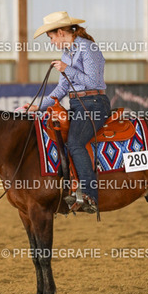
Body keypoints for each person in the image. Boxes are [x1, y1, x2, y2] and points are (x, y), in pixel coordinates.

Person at [26, 11, 111, 213]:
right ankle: (71, 187)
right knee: (60, 137)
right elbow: (62, 89)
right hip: (78, 105)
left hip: (94, 103)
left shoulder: (87, 48)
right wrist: (38, 106)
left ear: (61, 32)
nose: (52, 42)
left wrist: (67, 68)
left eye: (51, 37)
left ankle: (90, 194)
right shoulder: (67, 54)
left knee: (75, 142)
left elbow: (93, 81)